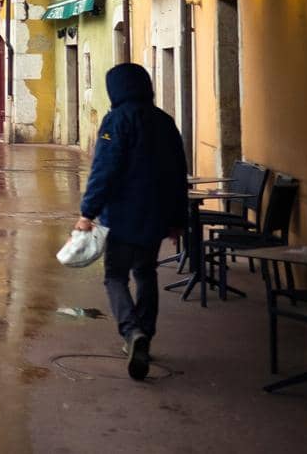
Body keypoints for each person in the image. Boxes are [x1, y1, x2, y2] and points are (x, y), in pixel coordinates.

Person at [74, 62, 187, 381]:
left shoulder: (117, 121)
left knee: (114, 276)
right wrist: (178, 219)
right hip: (156, 216)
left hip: (122, 216)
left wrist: (88, 212)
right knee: (146, 272)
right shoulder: (165, 122)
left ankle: (131, 331)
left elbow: (104, 171)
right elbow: (179, 173)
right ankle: (145, 335)